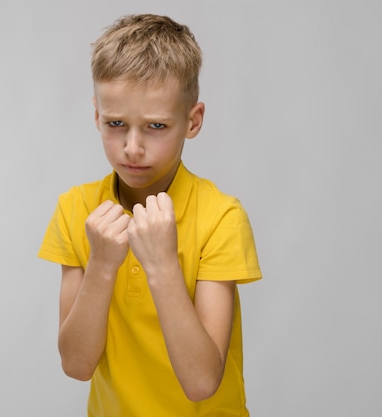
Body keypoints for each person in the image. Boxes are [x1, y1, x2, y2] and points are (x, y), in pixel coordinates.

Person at [38, 14, 262, 416]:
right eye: (116, 124)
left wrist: (161, 265)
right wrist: (103, 265)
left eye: (156, 125)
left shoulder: (221, 216)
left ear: (192, 121)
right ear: (96, 116)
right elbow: (76, 364)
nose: (132, 147)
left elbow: (201, 382)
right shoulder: (75, 209)